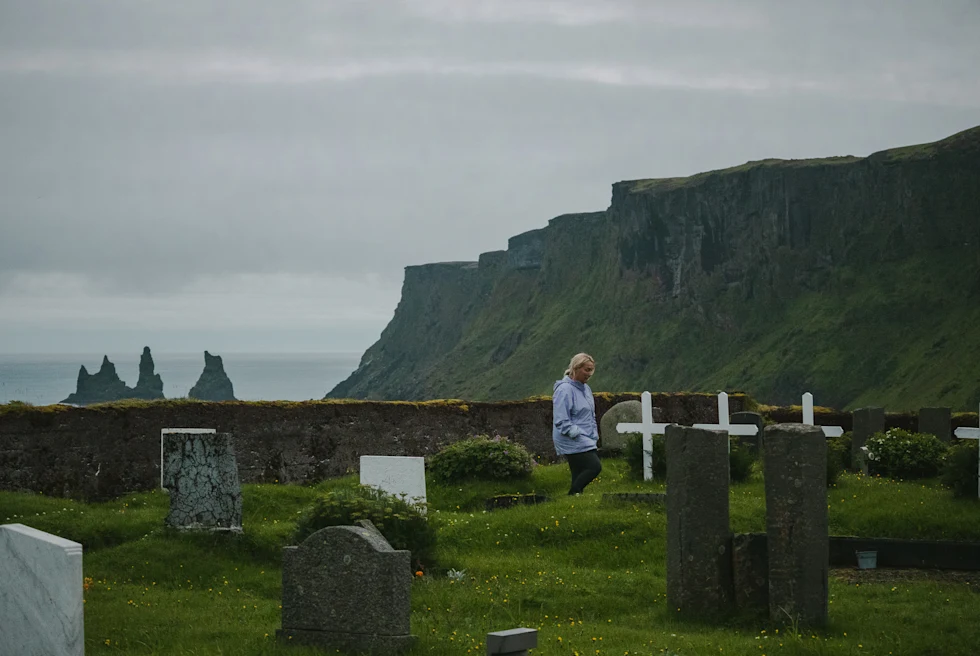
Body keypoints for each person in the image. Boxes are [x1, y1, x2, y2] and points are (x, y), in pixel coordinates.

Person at [552, 352, 602, 495]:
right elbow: (561, 419)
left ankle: (574, 499)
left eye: (591, 370)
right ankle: (574, 492)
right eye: (586, 370)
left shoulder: (586, 389)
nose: (589, 374)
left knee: (578, 470)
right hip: (570, 437)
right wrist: (576, 434)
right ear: (576, 367)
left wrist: (593, 434)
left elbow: (590, 413)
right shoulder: (564, 390)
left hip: (586, 435)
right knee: (594, 466)